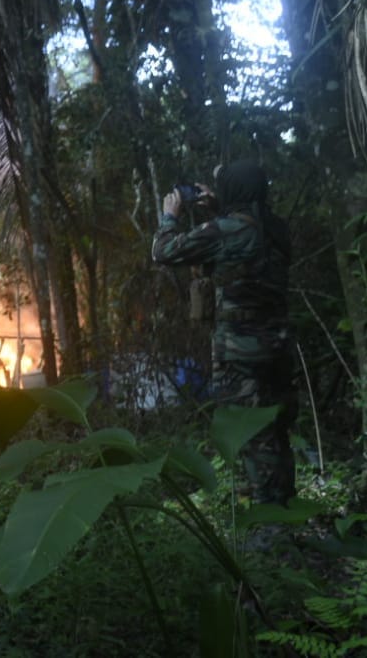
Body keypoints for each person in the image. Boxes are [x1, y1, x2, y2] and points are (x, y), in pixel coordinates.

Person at [152, 159, 296, 505]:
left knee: (250, 427)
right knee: (275, 426)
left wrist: (170, 215)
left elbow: (163, 251)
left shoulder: (230, 230)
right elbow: (243, 236)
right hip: (277, 343)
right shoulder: (276, 229)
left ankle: (270, 520)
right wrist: (218, 205)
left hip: (240, 347)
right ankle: (284, 503)